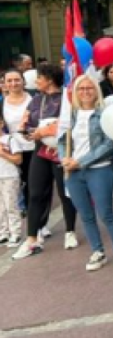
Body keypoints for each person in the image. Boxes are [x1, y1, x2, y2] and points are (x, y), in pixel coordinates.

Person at [59, 75, 113, 272]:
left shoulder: (104, 114)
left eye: (90, 88)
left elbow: (109, 144)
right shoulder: (70, 115)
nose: (85, 92)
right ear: (75, 92)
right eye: (81, 89)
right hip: (74, 172)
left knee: (106, 212)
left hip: (99, 169)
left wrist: (80, 161)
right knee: (85, 215)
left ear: (96, 91)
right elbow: (62, 140)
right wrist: (63, 159)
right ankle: (97, 251)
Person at [12, 63, 79, 260]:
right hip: (40, 151)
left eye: (39, 77)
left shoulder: (66, 100)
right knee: (35, 194)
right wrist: (27, 133)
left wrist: (47, 131)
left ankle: (70, 231)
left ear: (49, 79)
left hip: (61, 151)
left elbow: (70, 124)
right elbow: (26, 124)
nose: (36, 81)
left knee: (65, 192)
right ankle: (32, 237)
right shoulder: (35, 101)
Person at [1, 69, 33, 230]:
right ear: (5, 83)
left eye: (16, 80)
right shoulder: (2, 102)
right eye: (9, 80)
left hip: (32, 147)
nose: (13, 83)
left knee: (33, 186)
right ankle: (10, 227)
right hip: (10, 149)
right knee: (12, 187)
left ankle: (38, 223)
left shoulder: (33, 99)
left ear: (23, 81)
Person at [0, 119, 23, 249]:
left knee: (11, 205)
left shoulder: (10, 140)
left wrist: (3, 153)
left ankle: (16, 233)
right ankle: (3, 232)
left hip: (9, 176)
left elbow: (18, 159)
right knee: (1, 207)